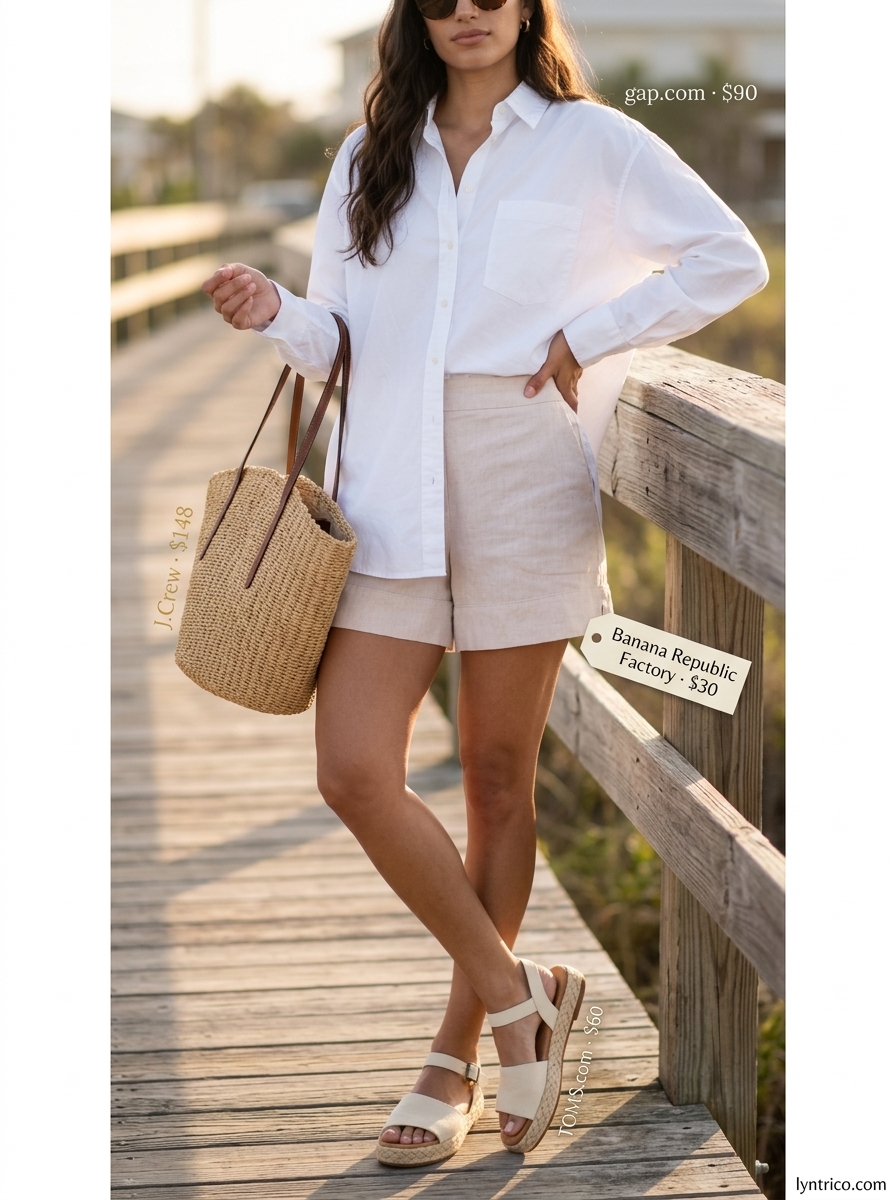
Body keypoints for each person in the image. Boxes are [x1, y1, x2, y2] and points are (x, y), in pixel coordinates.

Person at [202, 0, 768, 1168]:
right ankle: (524, 998)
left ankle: (456, 1052)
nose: (465, 9)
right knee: (355, 767)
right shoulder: (369, 155)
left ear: (524, 8)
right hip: (385, 486)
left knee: (501, 783)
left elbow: (729, 257)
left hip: (517, 469)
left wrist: (591, 332)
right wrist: (276, 315)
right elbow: (340, 339)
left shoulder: (592, 142)